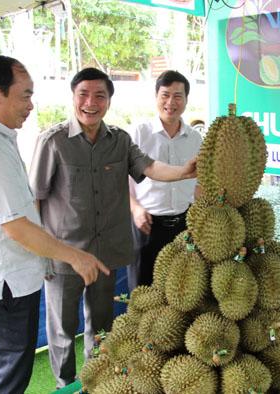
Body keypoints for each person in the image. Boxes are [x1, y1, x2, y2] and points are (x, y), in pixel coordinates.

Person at [29, 67, 196, 388]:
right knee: (63, 331)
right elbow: (35, 200)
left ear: (108, 101)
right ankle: (65, 384)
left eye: (99, 96)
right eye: (84, 95)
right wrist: (42, 256)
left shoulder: (119, 140)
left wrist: (183, 172)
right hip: (64, 254)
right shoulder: (53, 141)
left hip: (106, 254)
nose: (91, 103)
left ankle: (97, 381)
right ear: (74, 98)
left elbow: (149, 167)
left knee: (102, 326)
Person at [0, 55, 109, 394]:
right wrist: (74, 256)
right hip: (4, 285)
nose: (30, 104)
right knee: (11, 374)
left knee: (8, 368)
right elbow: (16, 227)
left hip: (10, 281)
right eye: (24, 95)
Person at [127, 70, 203, 291]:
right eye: (165, 95)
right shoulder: (139, 133)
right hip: (147, 225)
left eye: (178, 96)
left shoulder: (195, 138)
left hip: (183, 226)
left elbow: (198, 185)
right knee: (142, 292)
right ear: (156, 97)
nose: (171, 102)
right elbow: (121, 181)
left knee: (179, 292)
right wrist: (136, 209)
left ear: (186, 100)